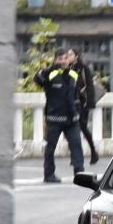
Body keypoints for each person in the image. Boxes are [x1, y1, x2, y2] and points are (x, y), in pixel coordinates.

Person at [33, 48, 85, 182]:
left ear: (69, 59)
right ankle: (49, 175)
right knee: (50, 148)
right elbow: (37, 79)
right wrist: (50, 69)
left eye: (65, 58)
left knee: (77, 146)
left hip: (72, 119)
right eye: (60, 59)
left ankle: (79, 174)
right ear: (56, 60)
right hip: (54, 119)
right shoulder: (50, 74)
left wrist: (79, 110)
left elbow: (78, 93)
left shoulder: (74, 74)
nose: (63, 61)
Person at [67, 48, 99, 164]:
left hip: (82, 104)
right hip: (72, 103)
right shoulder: (68, 68)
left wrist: (89, 104)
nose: (68, 56)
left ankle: (93, 152)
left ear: (76, 56)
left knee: (83, 128)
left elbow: (90, 86)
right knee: (72, 130)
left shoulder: (84, 68)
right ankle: (75, 156)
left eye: (70, 54)